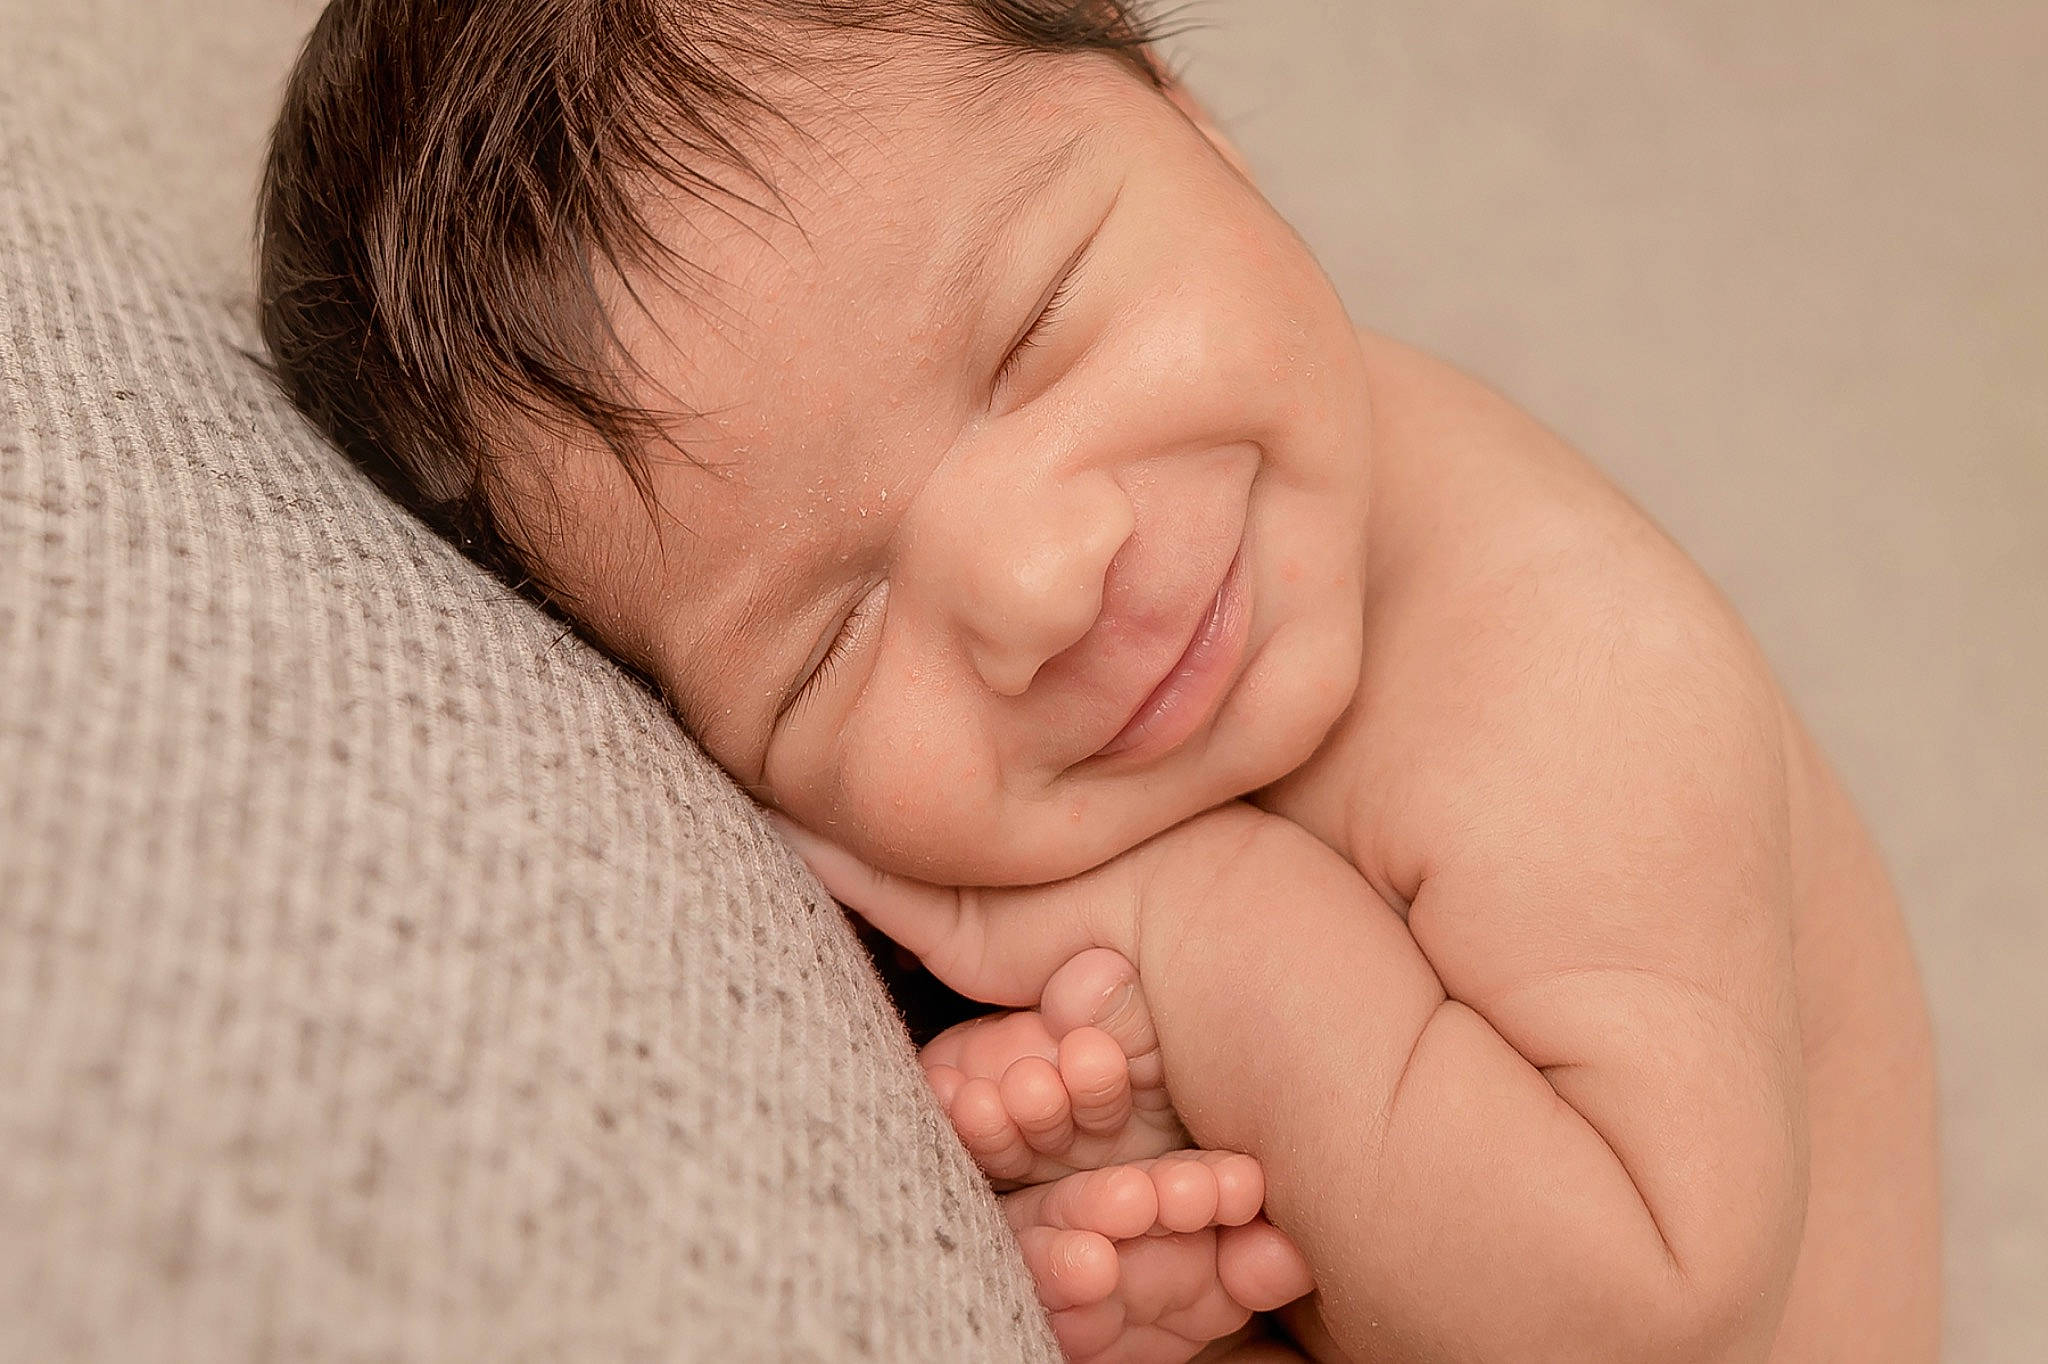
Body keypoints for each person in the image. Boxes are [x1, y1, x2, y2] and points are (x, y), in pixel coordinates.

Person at [258, 3, 1940, 1359]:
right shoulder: (1071, 731)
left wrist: (1196, 936)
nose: (1038, 584)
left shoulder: (1558, 654)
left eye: (1038, 329)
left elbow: (1646, 1308)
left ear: (1191, 126)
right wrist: (1125, 1177)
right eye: (833, 634)